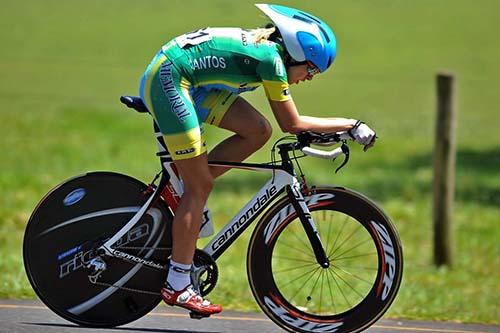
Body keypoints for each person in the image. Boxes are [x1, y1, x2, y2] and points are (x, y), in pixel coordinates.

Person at [139, 3, 376, 316]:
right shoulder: (271, 61)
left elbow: (278, 127)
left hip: (191, 80)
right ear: (295, 53)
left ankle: (181, 187)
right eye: (311, 70)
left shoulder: (271, 54)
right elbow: (292, 124)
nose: (309, 78)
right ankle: (178, 282)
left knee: (258, 130)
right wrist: (350, 125)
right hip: (170, 80)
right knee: (199, 188)